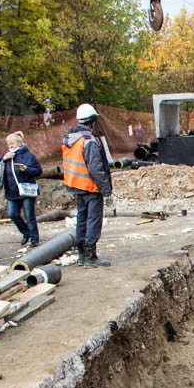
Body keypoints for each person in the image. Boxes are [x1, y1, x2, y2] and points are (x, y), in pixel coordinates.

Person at [62, 103, 112, 268]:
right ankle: (91, 256)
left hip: (76, 185)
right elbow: (96, 168)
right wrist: (106, 189)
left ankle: (82, 255)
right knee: (93, 220)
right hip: (90, 186)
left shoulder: (70, 139)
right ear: (92, 120)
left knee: (82, 219)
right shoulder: (89, 141)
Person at [0, 131, 42, 247]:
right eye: (8, 144)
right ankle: (26, 232)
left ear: (19, 143)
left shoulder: (28, 156)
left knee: (29, 215)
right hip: (12, 191)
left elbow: (38, 170)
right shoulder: (7, 157)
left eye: (13, 143)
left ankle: (34, 239)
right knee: (12, 214)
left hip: (26, 190)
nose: (10, 146)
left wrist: (26, 169)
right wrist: (3, 159)